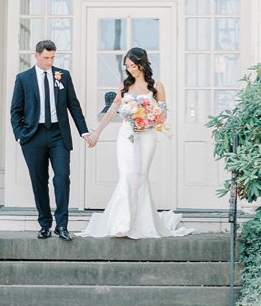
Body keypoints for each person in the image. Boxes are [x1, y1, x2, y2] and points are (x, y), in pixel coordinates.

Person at [79, 47, 193, 239]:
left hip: (147, 135)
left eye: (133, 65)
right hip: (126, 135)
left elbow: (163, 114)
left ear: (142, 64)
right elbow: (113, 109)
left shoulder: (156, 85)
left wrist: (148, 118)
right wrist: (96, 133)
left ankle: (140, 222)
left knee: (140, 176)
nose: (130, 69)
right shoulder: (125, 84)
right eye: (127, 66)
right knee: (126, 174)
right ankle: (123, 223)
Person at [8, 39, 94, 241]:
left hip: (58, 134)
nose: (49, 61)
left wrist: (84, 132)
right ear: (36, 56)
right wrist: (20, 135)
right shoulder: (23, 78)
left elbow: (74, 106)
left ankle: (62, 225)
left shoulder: (63, 76)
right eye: (46, 57)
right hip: (33, 135)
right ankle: (45, 224)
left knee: (62, 178)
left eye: (52, 57)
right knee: (39, 181)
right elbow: (15, 110)